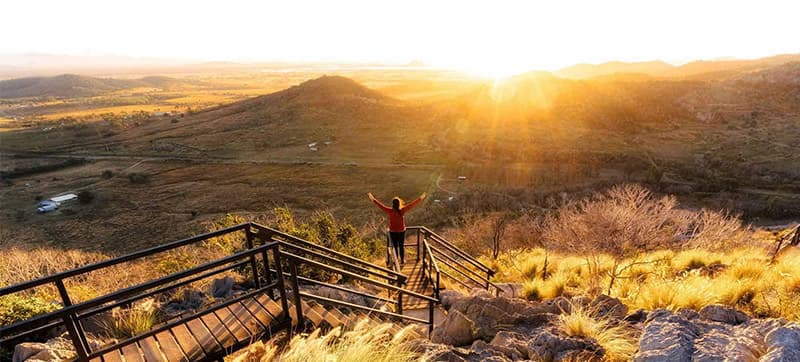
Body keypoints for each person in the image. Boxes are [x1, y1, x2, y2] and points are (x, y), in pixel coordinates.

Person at [368, 191, 427, 264]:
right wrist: (421, 198)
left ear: (392, 204)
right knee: (401, 246)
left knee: (395, 246)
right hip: (401, 231)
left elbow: (381, 206)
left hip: (393, 231)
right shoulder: (402, 210)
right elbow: (411, 205)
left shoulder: (390, 211)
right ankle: (402, 260)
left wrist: (373, 199)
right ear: (399, 203)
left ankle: (396, 260)